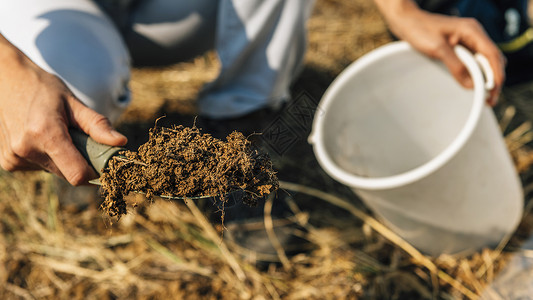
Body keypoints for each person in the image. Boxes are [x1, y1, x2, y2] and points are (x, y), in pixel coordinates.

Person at [0, 0, 505, 186]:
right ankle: (81, 171)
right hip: (48, 12)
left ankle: (241, 130)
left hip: (172, 11)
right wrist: (8, 70)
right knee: (80, 93)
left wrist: (400, 10)